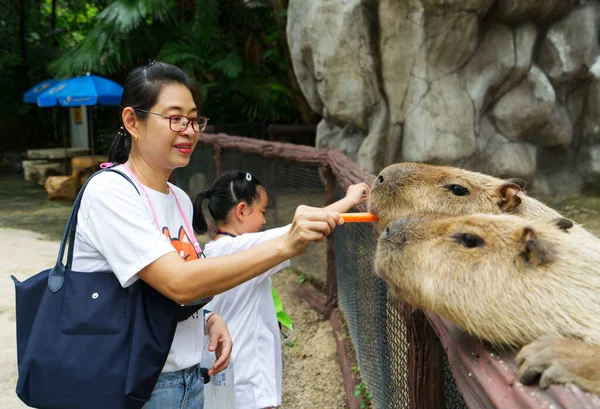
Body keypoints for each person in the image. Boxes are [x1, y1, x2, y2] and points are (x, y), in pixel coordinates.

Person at [71, 61, 342, 409]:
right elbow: (179, 282)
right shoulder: (110, 192)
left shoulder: (178, 198)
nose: (189, 130)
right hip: (133, 383)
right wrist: (286, 244)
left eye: (194, 119)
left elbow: (183, 291)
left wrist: (209, 318)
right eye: (175, 118)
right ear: (132, 122)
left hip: (188, 380)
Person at [193, 171, 370, 409]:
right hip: (249, 385)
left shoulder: (213, 251)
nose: (265, 221)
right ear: (242, 211)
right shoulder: (243, 248)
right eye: (262, 212)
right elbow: (299, 229)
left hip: (230, 383)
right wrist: (349, 200)